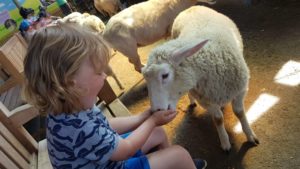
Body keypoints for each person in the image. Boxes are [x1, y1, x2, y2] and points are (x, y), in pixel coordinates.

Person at [23, 23, 207, 169]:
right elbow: (124, 151)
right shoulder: (79, 127)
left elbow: (105, 126)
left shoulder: (69, 105)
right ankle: (179, 163)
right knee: (179, 154)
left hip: (104, 160)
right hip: (113, 163)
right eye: (98, 71)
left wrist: (144, 116)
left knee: (157, 132)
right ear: (71, 81)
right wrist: (151, 122)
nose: (105, 75)